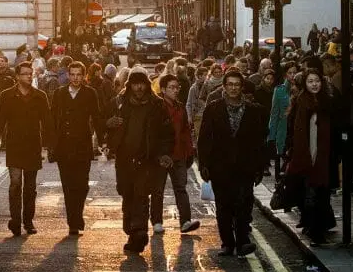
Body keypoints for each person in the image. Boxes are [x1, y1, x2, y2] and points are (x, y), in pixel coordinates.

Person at [105, 67, 175, 254]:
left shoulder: (157, 105)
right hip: (124, 158)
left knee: (141, 194)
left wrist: (164, 154)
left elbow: (167, 134)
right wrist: (108, 124)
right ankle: (131, 228)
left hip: (147, 159)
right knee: (127, 192)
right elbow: (104, 122)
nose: (139, 88)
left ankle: (140, 231)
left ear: (147, 85)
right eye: (135, 84)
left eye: (142, 84)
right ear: (129, 85)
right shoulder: (118, 103)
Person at [197, 69, 266, 257]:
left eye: (237, 85)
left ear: (241, 87)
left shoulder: (253, 110)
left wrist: (260, 167)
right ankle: (227, 243)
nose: (234, 88)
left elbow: (258, 141)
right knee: (224, 206)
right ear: (224, 87)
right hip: (220, 166)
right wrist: (204, 163)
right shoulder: (213, 108)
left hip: (245, 166)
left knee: (244, 204)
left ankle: (243, 241)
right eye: (230, 84)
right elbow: (204, 138)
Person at [0, 61, 54, 236]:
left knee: (30, 187)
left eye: (30, 73)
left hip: (32, 146)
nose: (28, 76)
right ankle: (15, 221)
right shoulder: (7, 95)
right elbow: (0, 122)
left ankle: (28, 221)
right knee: (15, 184)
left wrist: (49, 147)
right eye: (24, 74)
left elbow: (47, 123)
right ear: (17, 76)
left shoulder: (40, 96)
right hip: (14, 145)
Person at [49, 61, 106, 236]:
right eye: (72, 74)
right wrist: (50, 144)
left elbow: (96, 117)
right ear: (68, 75)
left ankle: (77, 214)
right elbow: (52, 119)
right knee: (68, 185)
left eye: (78, 74)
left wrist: (103, 140)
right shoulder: (59, 93)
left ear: (83, 76)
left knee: (82, 185)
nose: (75, 78)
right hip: (64, 146)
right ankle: (73, 222)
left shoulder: (90, 93)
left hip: (82, 144)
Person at [285, 68, 335, 245]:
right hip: (306, 155)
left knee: (322, 195)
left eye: (317, 81)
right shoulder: (302, 102)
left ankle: (318, 230)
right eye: (310, 81)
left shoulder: (327, 101)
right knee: (311, 196)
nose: (315, 84)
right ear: (305, 84)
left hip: (324, 156)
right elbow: (296, 131)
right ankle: (315, 232)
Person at [152, 74, 201, 235]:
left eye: (177, 87)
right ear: (163, 89)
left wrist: (189, 152)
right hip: (162, 157)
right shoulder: (157, 106)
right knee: (158, 189)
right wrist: (159, 154)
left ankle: (185, 221)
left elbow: (186, 131)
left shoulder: (180, 107)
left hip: (179, 154)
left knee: (181, 188)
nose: (175, 90)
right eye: (171, 87)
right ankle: (157, 221)